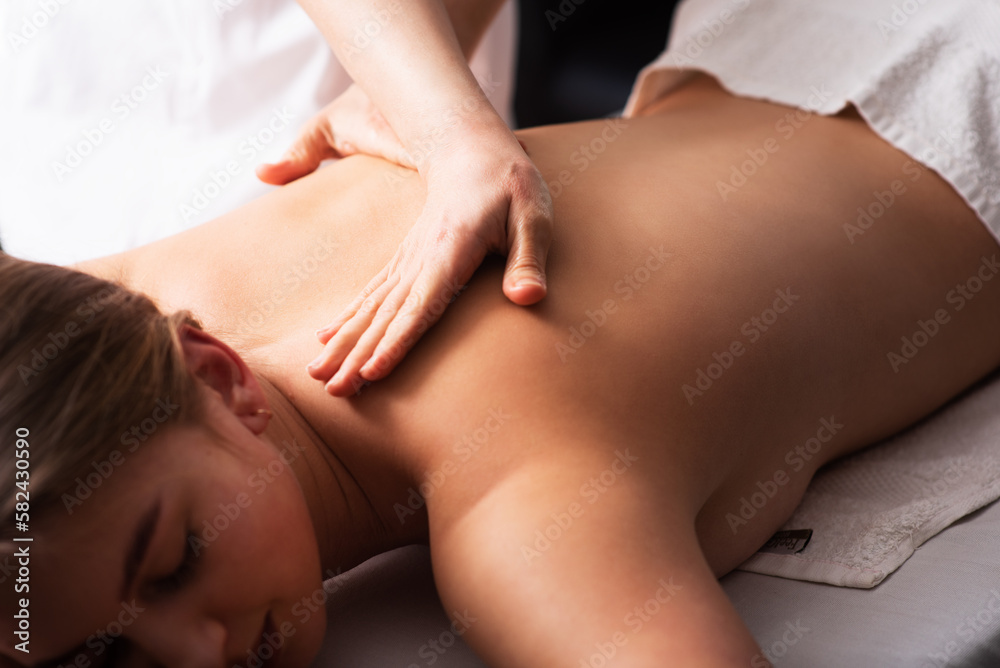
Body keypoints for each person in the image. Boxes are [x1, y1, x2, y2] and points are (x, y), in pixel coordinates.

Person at [3, 68, 1000, 667]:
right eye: (105, 658)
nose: (198, 653)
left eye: (178, 557)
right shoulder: (76, 336)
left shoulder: (521, 509)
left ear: (222, 378)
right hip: (761, 44)